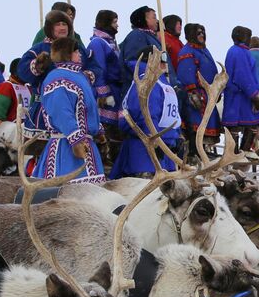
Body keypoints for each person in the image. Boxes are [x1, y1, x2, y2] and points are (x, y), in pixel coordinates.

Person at [36, 36, 105, 183]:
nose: (80, 55)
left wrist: (97, 130)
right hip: (66, 150)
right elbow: (61, 113)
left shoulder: (80, 77)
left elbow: (89, 108)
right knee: (67, 197)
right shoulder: (58, 79)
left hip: (86, 146)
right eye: (76, 52)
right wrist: (76, 139)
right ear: (67, 54)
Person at [111, 46, 181, 178]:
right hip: (145, 154)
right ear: (151, 60)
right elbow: (146, 114)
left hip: (165, 151)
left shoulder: (162, 83)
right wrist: (153, 138)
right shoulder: (147, 83)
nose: (165, 64)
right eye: (162, 59)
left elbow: (172, 115)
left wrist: (176, 136)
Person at [19, 9, 76, 138]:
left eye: (65, 24)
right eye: (58, 24)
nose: (62, 28)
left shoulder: (77, 49)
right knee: (43, 150)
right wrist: (37, 66)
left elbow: (94, 68)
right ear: (50, 28)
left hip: (74, 109)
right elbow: (22, 70)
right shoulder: (39, 49)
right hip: (45, 109)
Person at [173, 23, 220, 146]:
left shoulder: (204, 50)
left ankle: (203, 148)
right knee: (195, 126)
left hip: (209, 94)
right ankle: (194, 149)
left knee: (206, 125)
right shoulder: (187, 52)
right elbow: (185, 73)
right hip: (197, 95)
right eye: (198, 33)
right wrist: (193, 92)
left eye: (203, 32)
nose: (201, 35)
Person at [222, 26, 259, 151]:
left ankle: (234, 154)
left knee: (235, 126)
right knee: (250, 124)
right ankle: (241, 154)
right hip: (241, 98)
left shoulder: (234, 51)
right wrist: (254, 95)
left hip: (236, 97)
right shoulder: (240, 52)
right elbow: (243, 76)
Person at [84, 10, 125, 126]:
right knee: (108, 128)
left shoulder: (111, 43)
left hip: (116, 91)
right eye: (114, 22)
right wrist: (104, 94)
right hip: (108, 94)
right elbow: (98, 69)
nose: (117, 25)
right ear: (106, 23)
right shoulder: (98, 43)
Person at [119, 6, 163, 75]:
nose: (157, 21)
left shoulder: (149, 36)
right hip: (149, 83)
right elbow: (135, 62)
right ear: (144, 19)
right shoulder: (137, 36)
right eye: (154, 17)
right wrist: (146, 78)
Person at [0, 59, 32, 124]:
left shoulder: (29, 88)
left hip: (27, 128)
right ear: (17, 72)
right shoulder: (6, 86)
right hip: (11, 129)